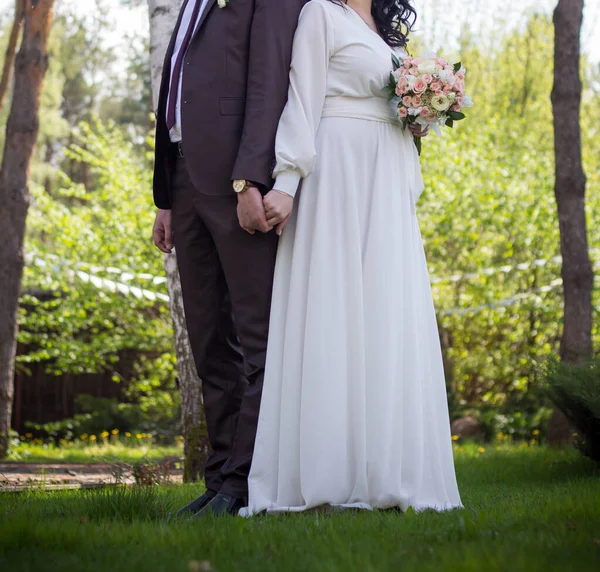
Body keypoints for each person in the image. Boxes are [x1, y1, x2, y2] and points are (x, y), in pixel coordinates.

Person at [242, 0, 463, 515]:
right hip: (337, 169)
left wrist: (419, 114)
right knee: (333, 310)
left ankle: (387, 467)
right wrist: (288, 181)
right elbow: (302, 94)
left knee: (384, 316)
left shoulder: (387, 35)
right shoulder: (320, 13)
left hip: (384, 177)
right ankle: (326, 472)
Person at [151, 0, 306, 517]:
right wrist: (166, 198)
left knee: (259, 340)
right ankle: (219, 478)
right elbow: (176, 86)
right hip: (184, 178)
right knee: (210, 343)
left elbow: (269, 86)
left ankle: (246, 481)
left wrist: (250, 179)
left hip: (236, 182)